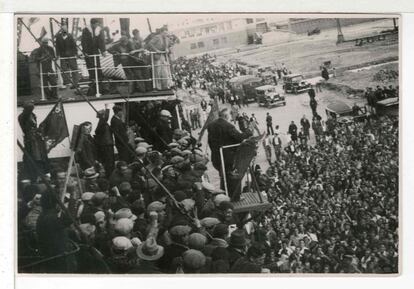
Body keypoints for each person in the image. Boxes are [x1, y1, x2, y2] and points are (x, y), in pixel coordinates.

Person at [207, 108, 251, 200]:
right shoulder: (228, 126)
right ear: (226, 116)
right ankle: (235, 197)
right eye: (230, 115)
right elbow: (239, 137)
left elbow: (211, 142)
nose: (231, 117)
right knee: (234, 176)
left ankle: (225, 194)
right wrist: (248, 131)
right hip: (228, 158)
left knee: (224, 177)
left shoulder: (211, 125)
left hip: (217, 157)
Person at [18, 101, 49, 181]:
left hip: (36, 136)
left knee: (41, 153)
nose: (32, 109)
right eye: (30, 108)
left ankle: (42, 169)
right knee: (34, 153)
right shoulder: (22, 116)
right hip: (30, 138)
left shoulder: (33, 115)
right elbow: (25, 127)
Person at [81, 18, 107, 95]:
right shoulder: (86, 30)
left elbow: (101, 41)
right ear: (92, 24)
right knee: (91, 68)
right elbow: (83, 41)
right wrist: (85, 51)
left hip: (95, 51)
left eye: (97, 24)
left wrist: (103, 51)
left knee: (98, 68)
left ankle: (100, 86)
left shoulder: (99, 30)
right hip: (88, 52)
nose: (97, 25)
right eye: (96, 24)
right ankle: (93, 85)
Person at [55, 24, 79, 89]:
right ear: (61, 30)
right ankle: (67, 82)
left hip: (71, 55)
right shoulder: (58, 37)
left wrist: (76, 54)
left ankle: (76, 83)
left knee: (74, 69)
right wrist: (57, 55)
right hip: (63, 56)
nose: (64, 31)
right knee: (64, 69)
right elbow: (57, 47)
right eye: (63, 30)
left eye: (65, 30)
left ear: (67, 30)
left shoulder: (70, 36)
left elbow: (74, 46)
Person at [95, 105, 114, 177]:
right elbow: (106, 117)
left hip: (106, 144)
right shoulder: (102, 122)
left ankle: (109, 174)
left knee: (109, 162)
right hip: (106, 145)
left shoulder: (101, 123)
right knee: (109, 162)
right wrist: (107, 107)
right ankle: (109, 175)